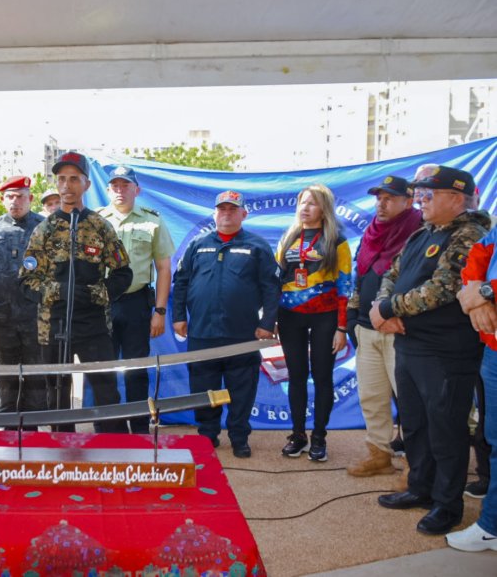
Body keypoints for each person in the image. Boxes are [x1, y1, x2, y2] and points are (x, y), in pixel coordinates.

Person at [373, 165, 489, 536]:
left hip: (446, 350)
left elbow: (443, 288)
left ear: (455, 198)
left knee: (446, 428)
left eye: (427, 195)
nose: (419, 201)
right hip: (410, 344)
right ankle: (420, 488)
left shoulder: (470, 234)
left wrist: (389, 310)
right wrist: (381, 311)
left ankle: (447, 504)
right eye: (419, 194)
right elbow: (391, 274)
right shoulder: (423, 233)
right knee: (415, 424)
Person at [20, 152, 132, 433]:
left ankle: (112, 448)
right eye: (61, 179)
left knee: (106, 390)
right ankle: (62, 454)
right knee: (57, 393)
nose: (67, 186)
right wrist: (57, 290)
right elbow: (26, 280)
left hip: (93, 324)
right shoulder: (43, 230)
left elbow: (123, 273)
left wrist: (96, 293)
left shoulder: (100, 226)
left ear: (86, 184)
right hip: (54, 324)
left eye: (73, 179)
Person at [173, 190, 280, 456]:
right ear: (215, 213)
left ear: (243, 214)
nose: (227, 214)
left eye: (233, 209)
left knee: (242, 389)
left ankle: (239, 436)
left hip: (241, 333)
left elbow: (271, 287)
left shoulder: (257, 246)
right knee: (203, 387)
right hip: (202, 333)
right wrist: (178, 317)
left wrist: (267, 322)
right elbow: (182, 282)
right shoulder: (198, 244)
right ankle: (207, 435)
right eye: (222, 209)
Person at [345, 175, 421, 479]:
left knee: (410, 400)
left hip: (400, 328)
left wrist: (399, 314)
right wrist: (352, 317)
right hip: (367, 327)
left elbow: (422, 281)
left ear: (408, 200)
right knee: (372, 397)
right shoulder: (370, 232)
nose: (382, 203)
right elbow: (359, 277)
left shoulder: (419, 231)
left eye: (389, 197)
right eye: (379, 197)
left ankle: (417, 466)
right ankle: (379, 454)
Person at [276, 183, 352, 462]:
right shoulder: (288, 237)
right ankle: (298, 435)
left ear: (324, 208)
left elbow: (345, 285)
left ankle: (319, 436)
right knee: (296, 376)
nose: (305, 208)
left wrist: (342, 327)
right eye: (302, 203)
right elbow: (276, 279)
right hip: (289, 316)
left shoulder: (337, 240)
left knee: (322, 377)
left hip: (325, 316)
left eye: (312, 203)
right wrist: (271, 317)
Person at [99, 165, 175, 434]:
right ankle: (110, 428)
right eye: (115, 186)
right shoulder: (96, 220)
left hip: (136, 304)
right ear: (108, 190)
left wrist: (161, 311)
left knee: (137, 370)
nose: (120, 190)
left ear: (137, 189)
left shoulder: (152, 220)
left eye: (125, 185)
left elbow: (164, 268)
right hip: (102, 306)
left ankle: (140, 427)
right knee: (103, 371)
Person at [0, 175, 47, 421]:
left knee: (37, 383)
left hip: (36, 320)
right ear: (3, 200)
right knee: (6, 382)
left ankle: (33, 439)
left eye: (20, 196)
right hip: (1, 321)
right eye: (10, 197)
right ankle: (10, 436)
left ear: (30, 198)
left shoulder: (46, 228)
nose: (15, 201)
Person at [447, 214, 497, 550]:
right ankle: (492, 525)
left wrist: (483, 292)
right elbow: (480, 253)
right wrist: (473, 290)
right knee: (495, 439)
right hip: (494, 344)